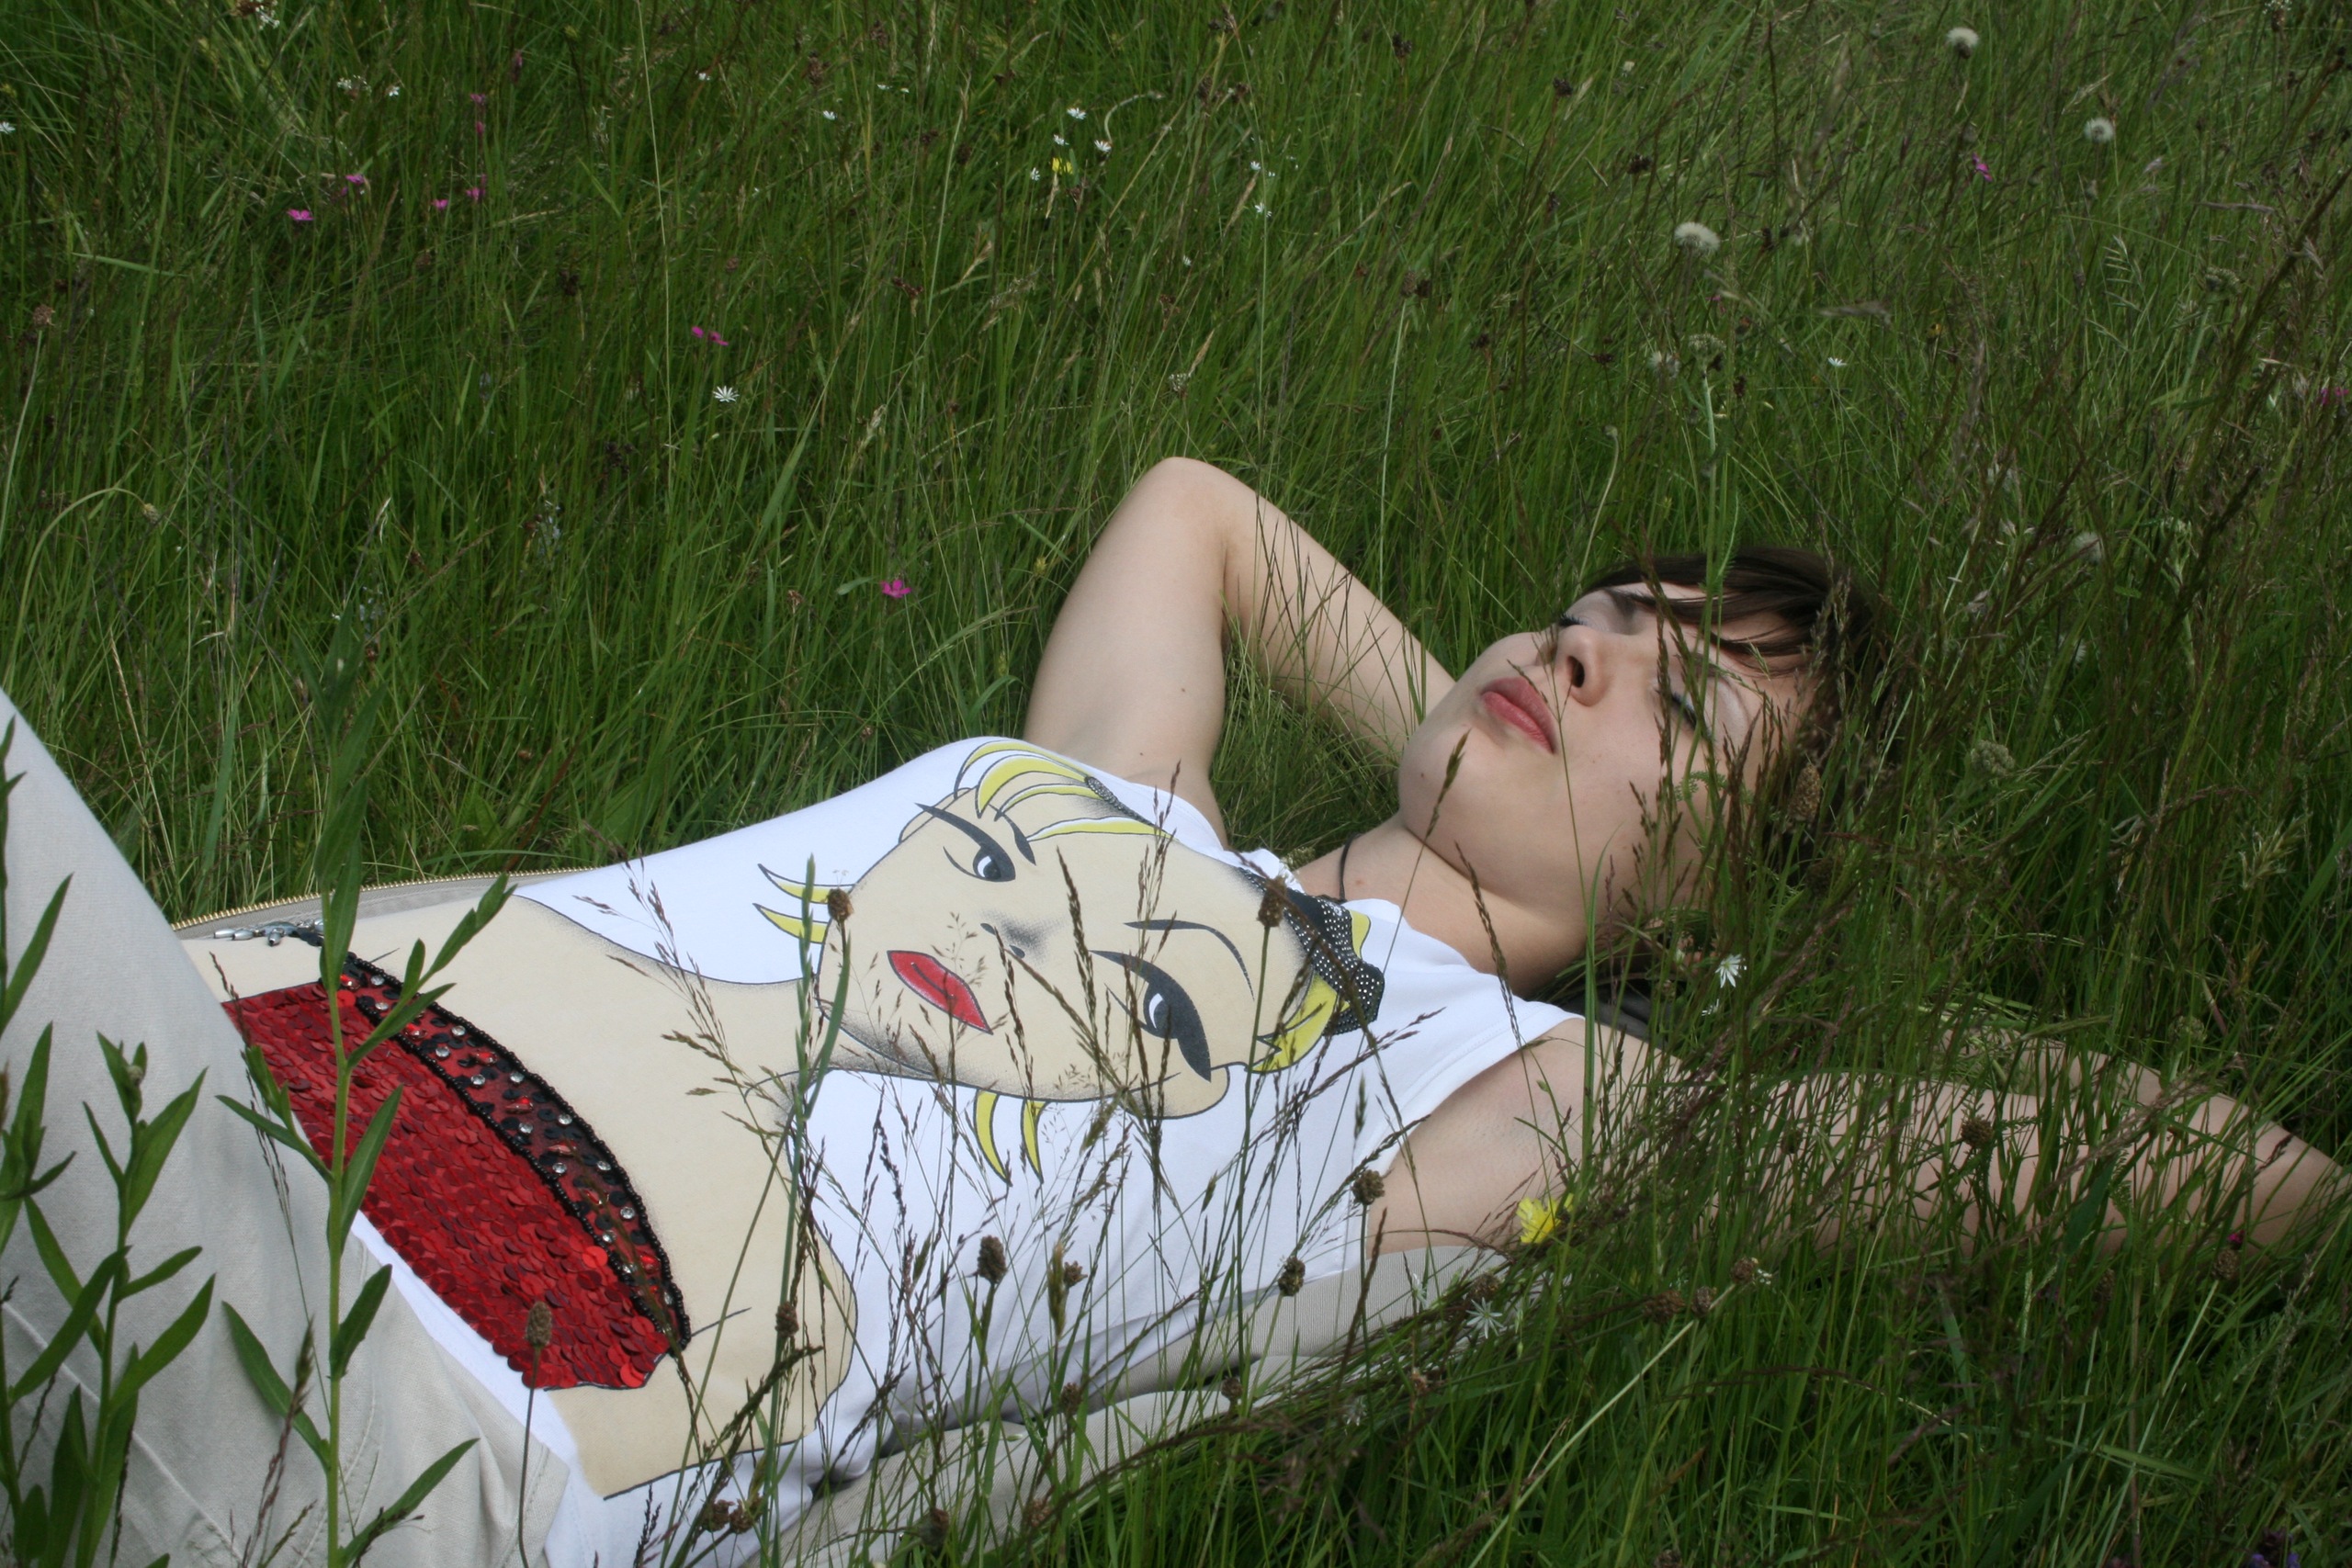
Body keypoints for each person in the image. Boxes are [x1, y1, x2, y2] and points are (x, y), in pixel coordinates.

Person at [0, 458, 2336, 1568]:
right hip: (221, 1074)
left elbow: (2246, 1176)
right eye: (1601, 609)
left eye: (1686, 702)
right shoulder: (1126, 788)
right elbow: (1199, 506)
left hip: (377, 1393)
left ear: (1741, 889)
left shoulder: (1522, 1089)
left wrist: (1830, 965)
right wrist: (1466, 744)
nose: (1588, 646)